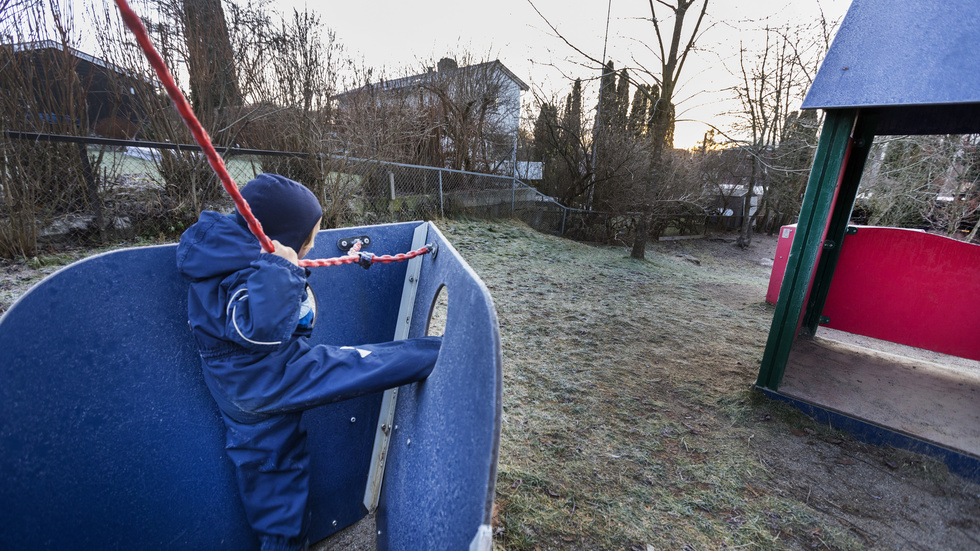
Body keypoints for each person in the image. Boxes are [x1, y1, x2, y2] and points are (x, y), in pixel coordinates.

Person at [176, 173, 441, 551]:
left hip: (247, 393)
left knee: (276, 489)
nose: (312, 247)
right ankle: (439, 353)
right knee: (360, 364)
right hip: (269, 379)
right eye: (308, 240)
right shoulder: (246, 272)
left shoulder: (221, 257)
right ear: (278, 239)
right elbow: (259, 331)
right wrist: (281, 270)